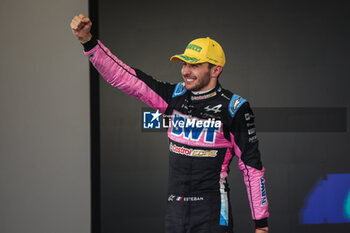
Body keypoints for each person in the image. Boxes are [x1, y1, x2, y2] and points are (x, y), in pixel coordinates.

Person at [70, 14, 269, 233]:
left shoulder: (234, 108)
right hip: (176, 213)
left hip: (212, 215)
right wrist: (88, 41)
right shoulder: (173, 96)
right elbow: (124, 77)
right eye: (184, 64)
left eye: (194, 65)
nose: (185, 71)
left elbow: (252, 168)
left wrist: (261, 225)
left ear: (215, 70)